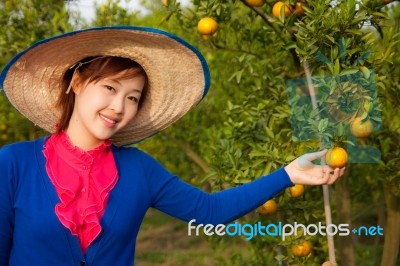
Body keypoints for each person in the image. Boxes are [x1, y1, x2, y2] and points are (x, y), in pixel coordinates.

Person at [0, 26, 345, 266]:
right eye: (109, 88)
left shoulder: (139, 170)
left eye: (132, 97)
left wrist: (288, 174)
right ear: (76, 81)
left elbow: (211, 212)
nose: (119, 107)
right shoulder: (15, 164)